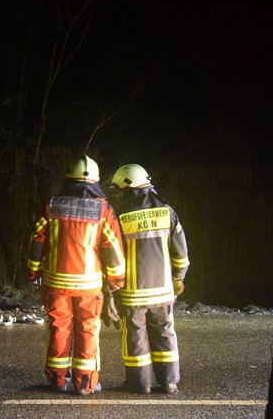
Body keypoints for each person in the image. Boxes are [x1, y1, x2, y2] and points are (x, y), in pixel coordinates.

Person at [27, 155, 126, 396]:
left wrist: (34, 270)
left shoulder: (52, 205)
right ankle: (86, 383)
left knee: (59, 328)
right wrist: (116, 279)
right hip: (88, 284)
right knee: (88, 329)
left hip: (55, 281)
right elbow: (112, 247)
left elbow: (37, 239)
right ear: (95, 179)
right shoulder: (103, 208)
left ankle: (58, 380)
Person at [105, 163, 189, 394]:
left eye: (119, 190)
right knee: (164, 334)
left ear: (127, 187)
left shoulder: (120, 217)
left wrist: (111, 288)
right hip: (163, 291)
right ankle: (169, 382)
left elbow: (113, 255)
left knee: (135, 338)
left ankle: (139, 384)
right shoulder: (167, 211)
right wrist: (178, 278)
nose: (118, 194)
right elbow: (180, 253)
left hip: (132, 293)